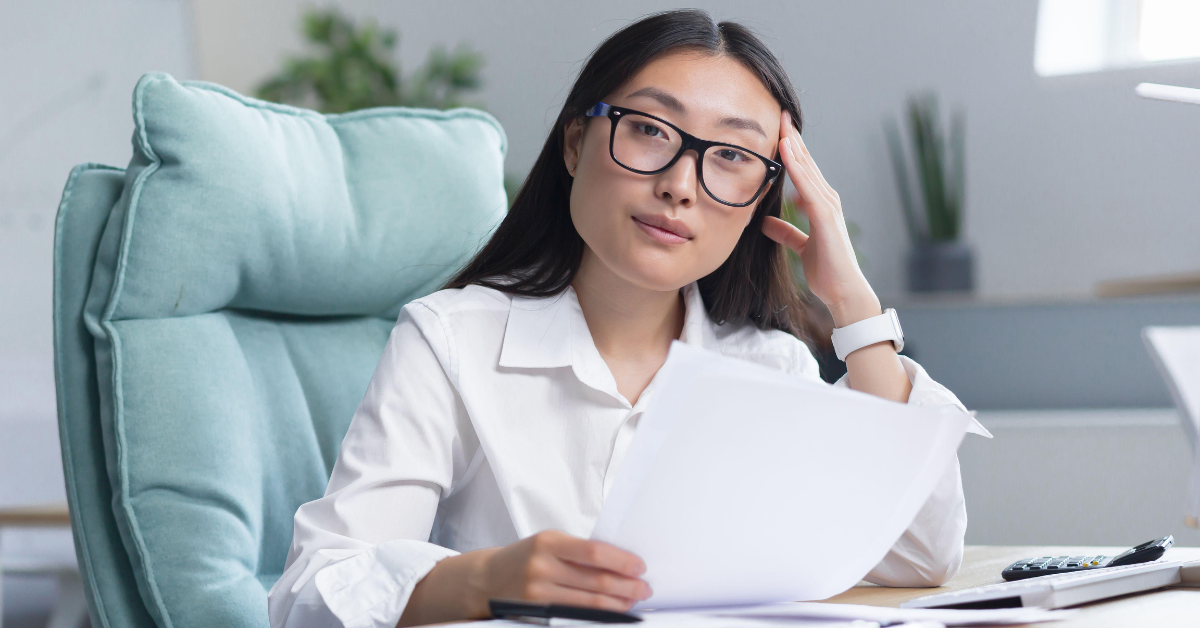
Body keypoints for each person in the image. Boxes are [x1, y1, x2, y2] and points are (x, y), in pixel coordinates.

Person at [268, 10, 976, 628]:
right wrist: (487, 579)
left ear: (762, 198)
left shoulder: (768, 366)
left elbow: (918, 554)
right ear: (576, 143)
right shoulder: (453, 340)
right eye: (649, 130)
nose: (679, 184)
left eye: (732, 156)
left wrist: (853, 307)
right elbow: (313, 594)